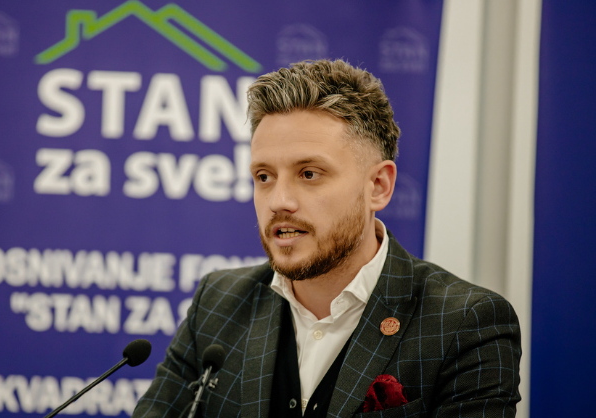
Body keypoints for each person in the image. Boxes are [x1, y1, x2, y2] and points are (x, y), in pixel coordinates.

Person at [132, 59, 521, 418]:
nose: (279, 201)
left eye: (309, 174)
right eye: (264, 176)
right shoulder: (218, 303)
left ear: (379, 186)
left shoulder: (464, 323)